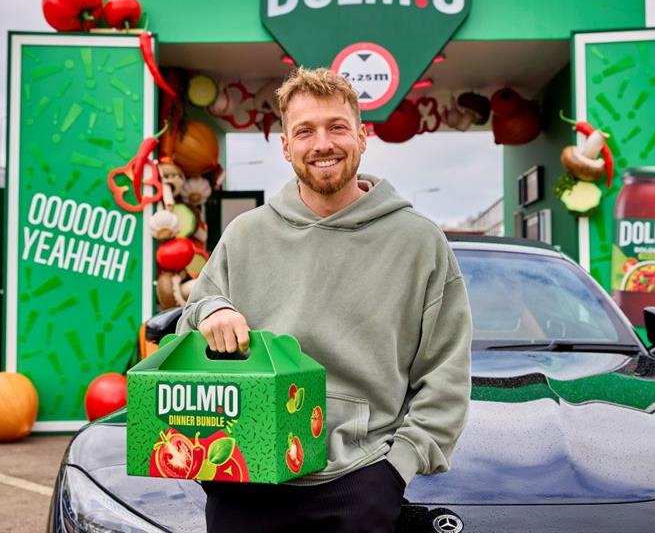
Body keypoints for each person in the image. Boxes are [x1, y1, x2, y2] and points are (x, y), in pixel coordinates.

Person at [176, 67, 472, 533]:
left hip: (359, 482)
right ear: (286, 146)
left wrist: (397, 468)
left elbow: (446, 372)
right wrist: (211, 309)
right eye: (305, 131)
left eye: (336, 127)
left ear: (362, 135)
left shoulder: (418, 242)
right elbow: (190, 322)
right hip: (245, 480)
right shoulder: (246, 234)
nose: (323, 144)